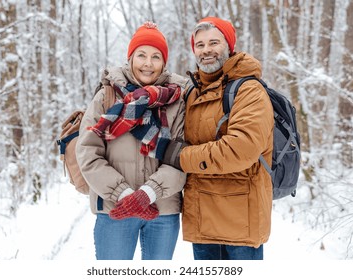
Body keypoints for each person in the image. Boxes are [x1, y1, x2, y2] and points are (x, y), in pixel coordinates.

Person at [162, 17, 274, 260]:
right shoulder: (191, 91)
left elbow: (240, 150)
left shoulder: (249, 90)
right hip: (201, 221)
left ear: (229, 46)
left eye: (214, 42)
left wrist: (179, 156)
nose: (206, 50)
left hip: (240, 223)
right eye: (200, 45)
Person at [76, 21, 189, 260]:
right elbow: (88, 152)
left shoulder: (177, 101)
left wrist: (148, 193)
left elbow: (182, 156)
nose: (148, 63)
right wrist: (124, 194)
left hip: (163, 210)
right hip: (114, 208)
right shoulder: (107, 96)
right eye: (142, 55)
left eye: (156, 56)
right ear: (130, 58)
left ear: (164, 62)